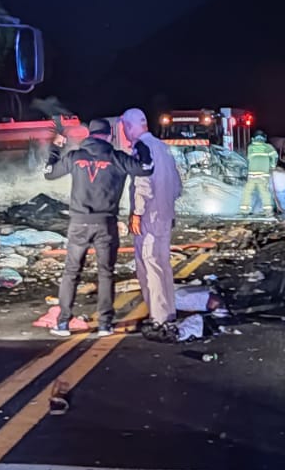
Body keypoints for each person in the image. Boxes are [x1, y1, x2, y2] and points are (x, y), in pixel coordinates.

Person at [44, 117, 151, 337]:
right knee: (105, 273)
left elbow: (48, 172)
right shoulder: (117, 158)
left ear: (89, 135)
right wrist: (141, 145)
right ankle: (105, 324)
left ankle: (63, 323)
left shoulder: (74, 157)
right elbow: (147, 168)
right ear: (109, 136)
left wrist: (55, 148)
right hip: (106, 224)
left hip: (78, 224)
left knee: (71, 272)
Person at [118, 108, 182, 332]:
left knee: (149, 265)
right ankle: (168, 312)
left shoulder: (141, 148)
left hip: (148, 217)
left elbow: (142, 183)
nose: (124, 133)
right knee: (163, 265)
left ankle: (158, 317)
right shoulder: (163, 147)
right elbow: (176, 185)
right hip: (165, 216)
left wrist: (137, 213)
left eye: (125, 128)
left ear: (128, 126)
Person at [239, 129, 281, 217]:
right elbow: (275, 156)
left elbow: (249, 159)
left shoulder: (250, 147)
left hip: (252, 173)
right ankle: (268, 210)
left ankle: (244, 210)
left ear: (253, 138)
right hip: (263, 174)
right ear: (264, 138)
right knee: (264, 191)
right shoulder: (268, 147)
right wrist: (272, 166)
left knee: (248, 191)